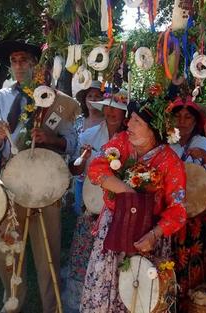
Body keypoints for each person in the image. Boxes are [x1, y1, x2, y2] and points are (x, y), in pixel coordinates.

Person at [0, 40, 78, 313]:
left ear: (35, 64)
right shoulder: (2, 98)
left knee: (47, 246)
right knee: (7, 249)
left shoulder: (56, 100)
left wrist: (51, 138)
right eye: (14, 60)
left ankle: (53, 305)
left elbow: (72, 141)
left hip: (47, 182)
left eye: (24, 59)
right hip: (12, 180)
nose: (19, 65)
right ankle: (13, 301)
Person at [80, 99, 187, 313]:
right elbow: (96, 169)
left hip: (148, 237)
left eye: (136, 121)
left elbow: (178, 211)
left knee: (142, 297)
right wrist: (129, 193)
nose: (128, 124)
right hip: (114, 228)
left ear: (152, 130)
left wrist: (155, 235)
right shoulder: (121, 142)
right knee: (105, 291)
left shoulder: (170, 162)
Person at [66, 90, 128, 313]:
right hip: (91, 205)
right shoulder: (89, 135)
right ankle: (81, 304)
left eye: (118, 108)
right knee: (84, 260)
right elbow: (75, 169)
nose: (112, 112)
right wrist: (82, 159)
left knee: (114, 263)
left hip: (118, 209)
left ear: (125, 113)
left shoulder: (131, 139)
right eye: (108, 107)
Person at [167, 96, 206, 310]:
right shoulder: (166, 144)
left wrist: (205, 159)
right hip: (169, 217)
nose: (182, 121)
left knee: (193, 269)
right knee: (168, 268)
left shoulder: (205, 144)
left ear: (196, 122)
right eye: (178, 116)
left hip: (196, 219)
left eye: (188, 117)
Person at [70, 80, 104, 215]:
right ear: (85, 100)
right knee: (81, 213)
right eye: (90, 96)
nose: (93, 99)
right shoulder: (78, 122)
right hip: (80, 174)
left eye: (97, 96)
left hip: (100, 176)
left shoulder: (107, 122)